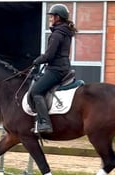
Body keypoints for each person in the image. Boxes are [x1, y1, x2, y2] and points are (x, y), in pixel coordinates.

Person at [30, 3, 77, 133]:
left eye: (52, 16)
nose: (50, 19)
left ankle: (45, 123)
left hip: (56, 69)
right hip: (62, 67)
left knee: (36, 91)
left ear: (58, 17)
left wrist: (36, 61)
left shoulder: (57, 34)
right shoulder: (65, 32)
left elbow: (49, 55)